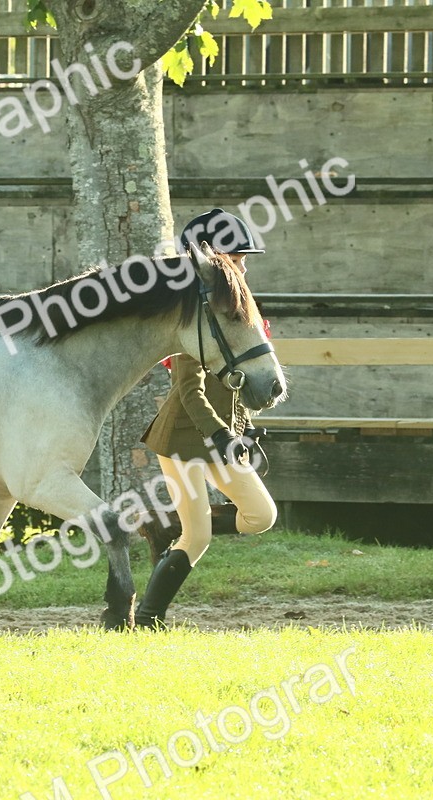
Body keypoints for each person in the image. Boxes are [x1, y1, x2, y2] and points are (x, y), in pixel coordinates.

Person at [134, 208, 279, 629]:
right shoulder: (191, 319)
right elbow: (188, 391)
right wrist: (220, 435)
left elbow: (237, 381)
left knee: (261, 516)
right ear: (213, 260)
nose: (244, 265)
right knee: (197, 538)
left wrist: (245, 427)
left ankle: (165, 524)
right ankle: (149, 619)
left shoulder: (236, 310)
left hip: (220, 435)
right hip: (181, 437)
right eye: (237, 258)